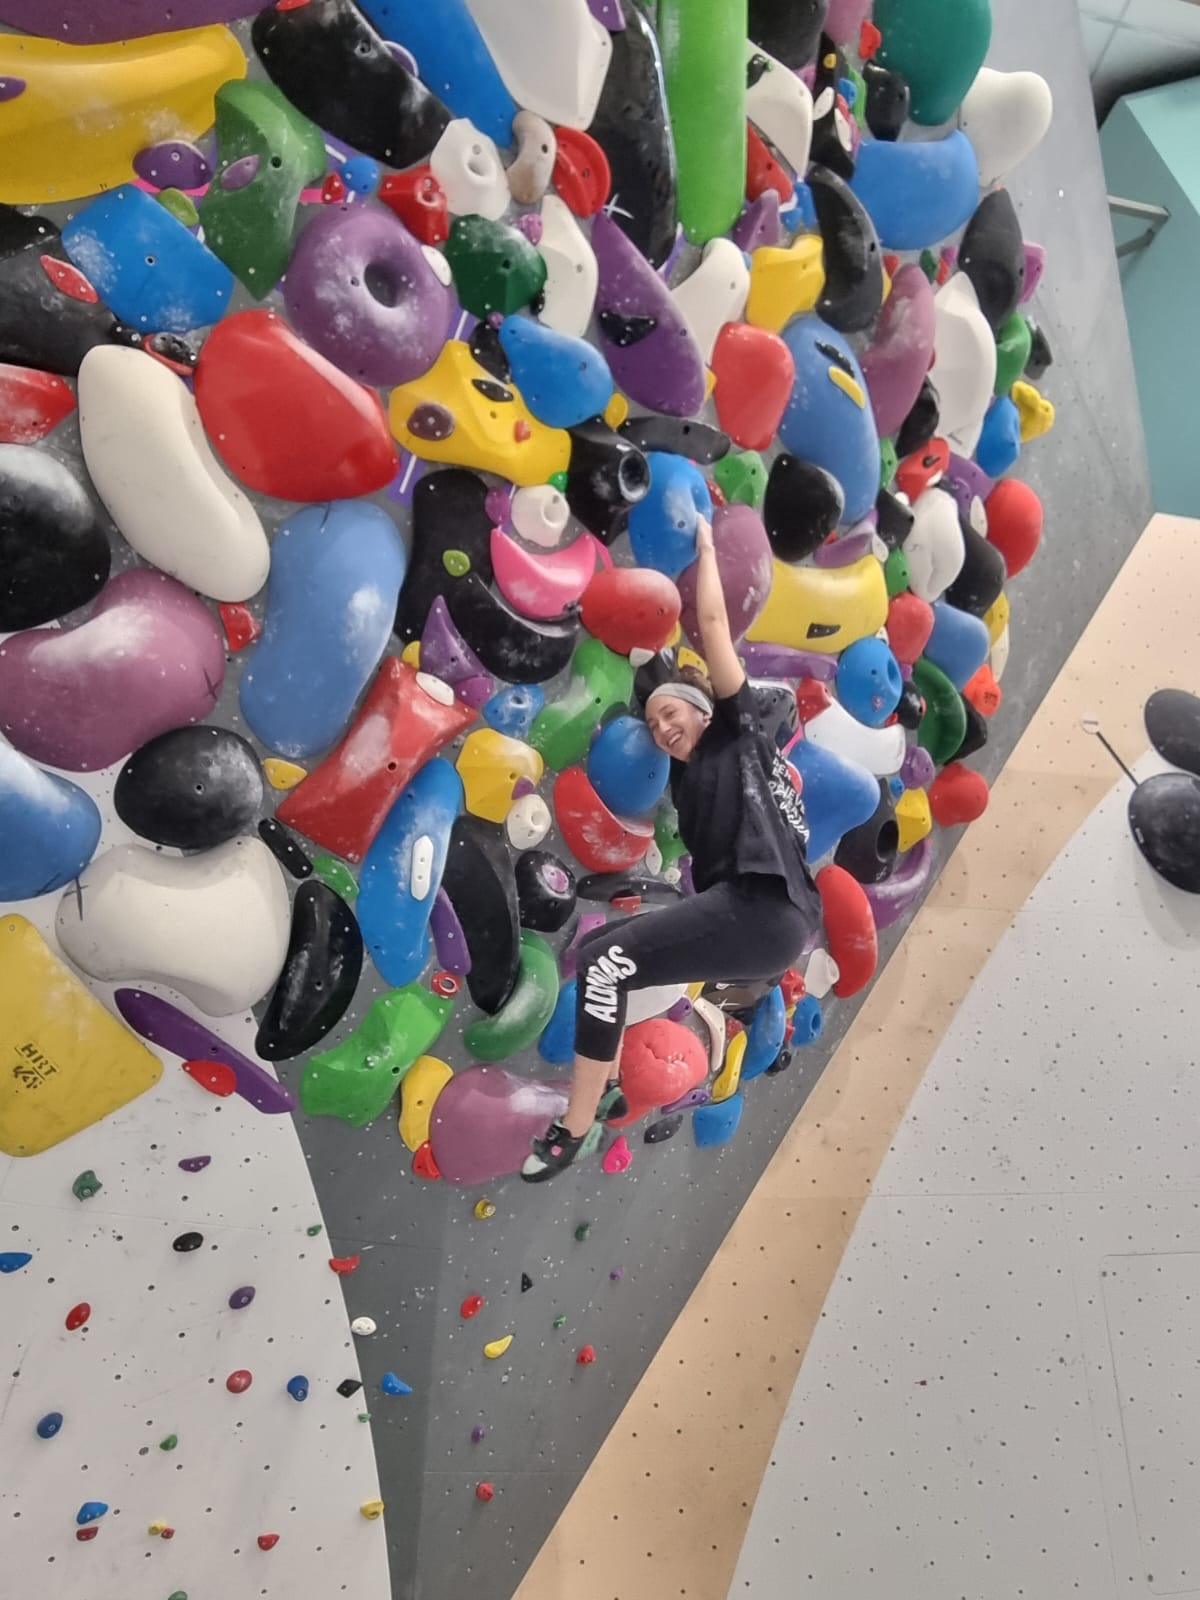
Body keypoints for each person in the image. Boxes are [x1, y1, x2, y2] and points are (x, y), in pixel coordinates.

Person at [522, 514, 822, 1182]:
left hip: (764, 908)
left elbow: (711, 624)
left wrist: (708, 548)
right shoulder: (694, 780)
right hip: (766, 922)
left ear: (705, 709)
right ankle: (598, 1094)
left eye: (672, 713)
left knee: (604, 965)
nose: (662, 727)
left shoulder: (739, 731)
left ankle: (574, 1128)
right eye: (655, 723)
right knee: (607, 960)